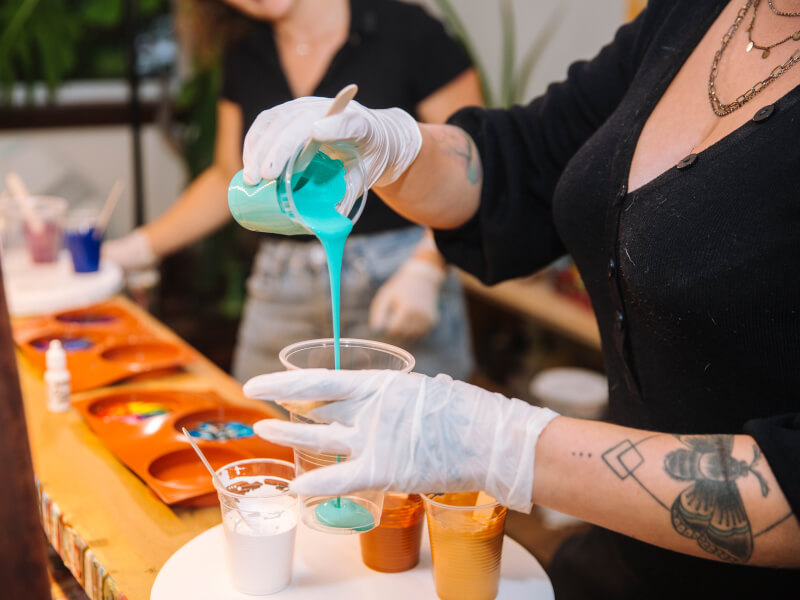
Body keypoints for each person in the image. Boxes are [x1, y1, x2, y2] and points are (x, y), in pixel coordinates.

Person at [239, 0, 800, 597]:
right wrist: (396, 148)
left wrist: (506, 444)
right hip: (622, 562)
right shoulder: (701, 12)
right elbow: (523, 160)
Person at [104, 0, 482, 381]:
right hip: (281, 285)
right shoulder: (245, 53)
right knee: (264, 429)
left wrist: (426, 266)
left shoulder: (409, 30)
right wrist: (139, 247)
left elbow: (472, 159)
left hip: (397, 277)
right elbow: (229, 177)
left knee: (405, 433)